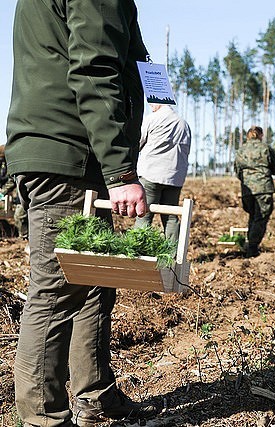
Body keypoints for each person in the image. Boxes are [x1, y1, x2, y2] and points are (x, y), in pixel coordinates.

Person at [4, 1, 157, 425]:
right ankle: (43, 419)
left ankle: (95, 397)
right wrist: (121, 169)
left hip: (73, 151)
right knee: (56, 293)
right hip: (69, 152)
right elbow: (94, 68)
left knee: (94, 283)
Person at [134, 103, 191, 242]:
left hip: (150, 175)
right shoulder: (184, 124)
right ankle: (173, 257)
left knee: (144, 214)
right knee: (171, 217)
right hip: (174, 178)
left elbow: (138, 143)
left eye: (151, 103)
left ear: (157, 103)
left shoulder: (152, 119)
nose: (150, 106)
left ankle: (137, 251)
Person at [234, 126, 275, 257]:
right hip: (263, 188)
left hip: (247, 190)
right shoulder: (265, 148)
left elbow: (237, 170)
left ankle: (250, 244)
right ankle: (252, 247)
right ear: (260, 135)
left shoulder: (241, 150)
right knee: (260, 217)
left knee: (253, 216)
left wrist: (247, 180)